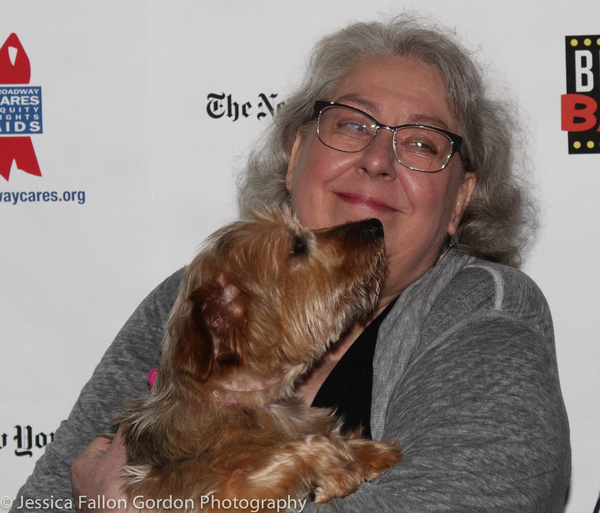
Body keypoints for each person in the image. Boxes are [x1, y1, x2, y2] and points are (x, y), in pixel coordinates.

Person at [12, 13, 570, 513]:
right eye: (353, 124)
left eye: (422, 143)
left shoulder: (481, 313)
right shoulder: (195, 294)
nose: (378, 159)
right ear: (297, 154)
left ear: (460, 200)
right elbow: (41, 504)